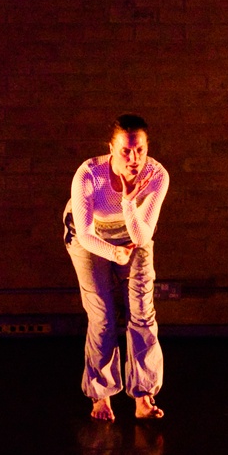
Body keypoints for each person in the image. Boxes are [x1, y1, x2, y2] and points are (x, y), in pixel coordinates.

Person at [66, 114, 171, 422]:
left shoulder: (156, 175)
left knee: (142, 310)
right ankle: (101, 393)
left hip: (134, 234)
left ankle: (143, 394)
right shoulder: (89, 174)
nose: (134, 158)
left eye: (140, 150)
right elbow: (85, 234)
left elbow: (142, 236)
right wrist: (113, 253)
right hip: (90, 237)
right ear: (111, 149)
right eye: (126, 151)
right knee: (102, 315)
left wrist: (127, 202)